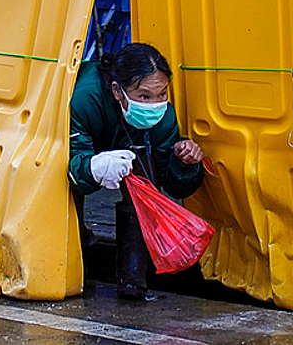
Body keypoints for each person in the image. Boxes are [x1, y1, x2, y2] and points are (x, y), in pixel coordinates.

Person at [69, 43, 204, 300]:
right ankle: (79, 250)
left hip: (121, 142)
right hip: (86, 142)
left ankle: (133, 282)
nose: (155, 104)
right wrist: (94, 168)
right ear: (118, 91)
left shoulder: (163, 117)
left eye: (162, 93)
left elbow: (172, 187)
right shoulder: (85, 99)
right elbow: (70, 167)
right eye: (144, 96)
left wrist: (184, 163)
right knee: (66, 193)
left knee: (143, 188)